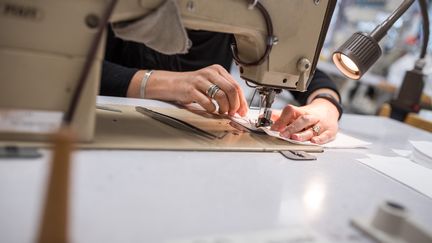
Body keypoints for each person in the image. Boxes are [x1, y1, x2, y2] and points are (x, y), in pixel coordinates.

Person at [101, 27, 342, 144]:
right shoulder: (129, 11)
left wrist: (326, 106)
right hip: (109, 135)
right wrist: (164, 82)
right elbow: (75, 68)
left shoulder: (237, 20)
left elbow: (296, 67)